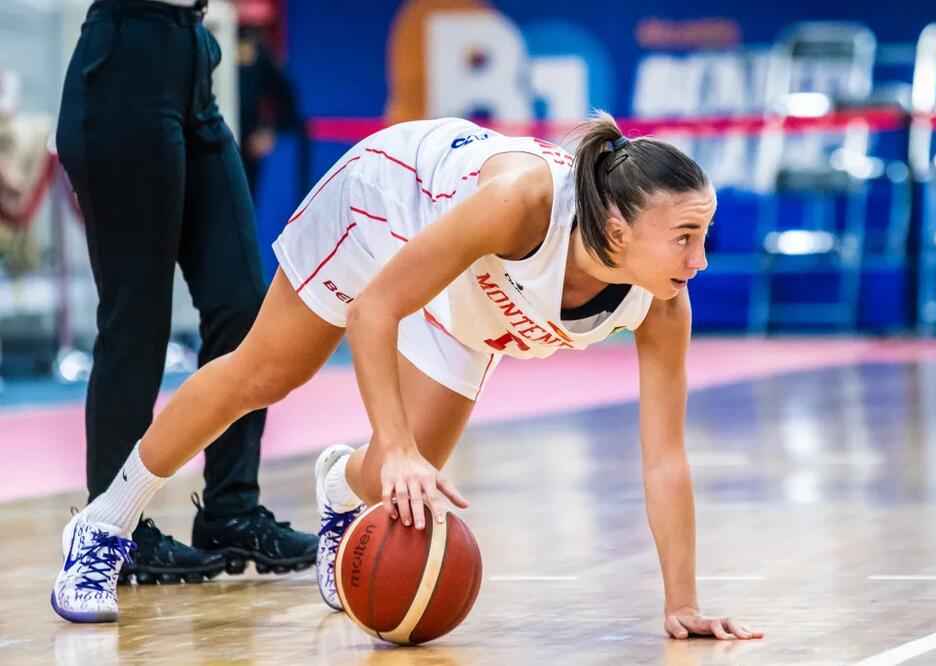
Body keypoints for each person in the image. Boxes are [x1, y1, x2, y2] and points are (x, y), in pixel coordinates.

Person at [52, 111, 762, 641]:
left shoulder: (664, 306)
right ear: (615, 230)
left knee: (421, 461)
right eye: (685, 238)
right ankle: (104, 524)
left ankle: (339, 489)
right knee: (268, 372)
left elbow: (665, 459)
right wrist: (391, 443)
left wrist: (682, 604)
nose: (700, 260)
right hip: (385, 206)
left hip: (474, 290)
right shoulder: (520, 204)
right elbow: (374, 310)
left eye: (703, 236)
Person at [54, 0, 316, 587]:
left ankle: (232, 508)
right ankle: (112, 526)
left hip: (193, 56)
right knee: (137, 317)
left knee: (247, 306)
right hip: (126, 60)